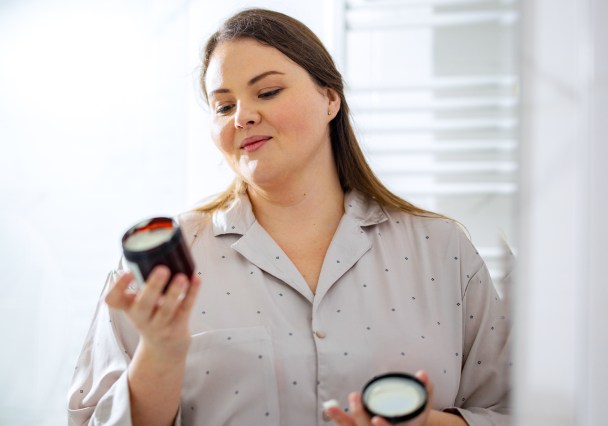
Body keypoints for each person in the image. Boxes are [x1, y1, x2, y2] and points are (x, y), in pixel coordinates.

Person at [68, 8, 511, 426]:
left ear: (330, 99)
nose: (243, 116)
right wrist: (160, 355)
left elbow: (517, 410)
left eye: (267, 92)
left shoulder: (442, 250)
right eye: (223, 106)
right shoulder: (162, 270)